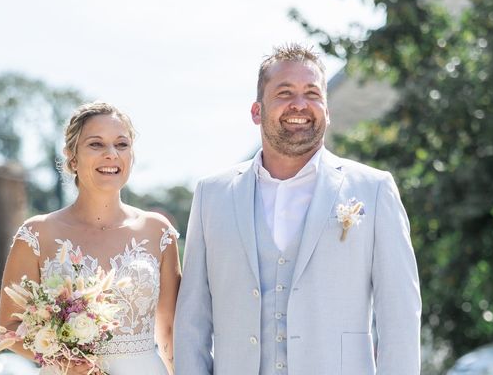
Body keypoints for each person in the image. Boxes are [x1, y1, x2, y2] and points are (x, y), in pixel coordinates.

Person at [174, 44, 421, 375]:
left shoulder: (373, 190)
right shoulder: (212, 195)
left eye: (312, 93)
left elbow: (400, 317)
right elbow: (192, 322)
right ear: (256, 111)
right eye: (285, 92)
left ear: (327, 111)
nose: (300, 104)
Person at [0, 101, 181, 375]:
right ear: (72, 157)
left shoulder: (157, 231)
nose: (111, 154)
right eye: (96, 144)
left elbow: (169, 330)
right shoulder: (37, 234)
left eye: (121, 145)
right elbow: (8, 329)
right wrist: (61, 359)